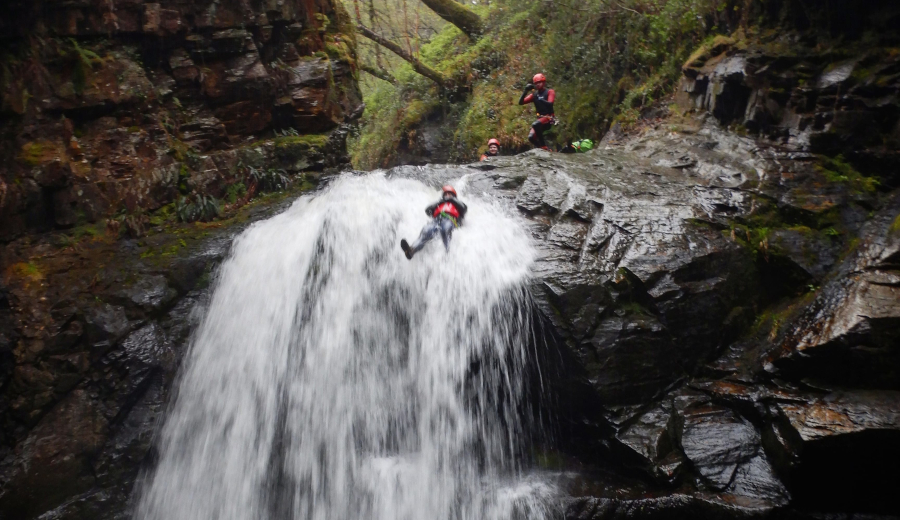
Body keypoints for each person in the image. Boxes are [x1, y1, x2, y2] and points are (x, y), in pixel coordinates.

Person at [400, 185, 468, 260]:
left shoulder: (457, 204)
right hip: (436, 222)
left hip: (449, 220)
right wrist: (441, 201)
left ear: (454, 196)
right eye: (446, 194)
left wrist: (451, 199)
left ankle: (448, 254)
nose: (447, 195)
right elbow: (427, 210)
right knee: (426, 231)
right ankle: (411, 251)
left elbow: (464, 208)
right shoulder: (439, 203)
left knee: (445, 228)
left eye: (450, 194)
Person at [518, 73, 556, 150]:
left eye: (539, 82)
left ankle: (543, 146)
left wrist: (542, 100)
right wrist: (525, 91)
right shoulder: (534, 95)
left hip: (549, 118)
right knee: (531, 137)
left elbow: (550, 104)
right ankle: (543, 149)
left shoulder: (549, 92)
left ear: (544, 82)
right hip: (540, 119)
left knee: (535, 124)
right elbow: (521, 102)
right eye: (536, 83)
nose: (538, 84)